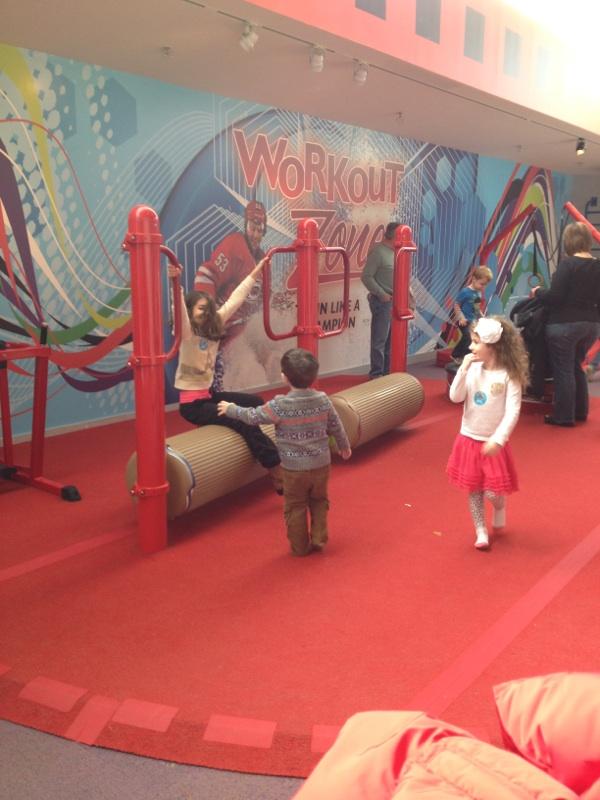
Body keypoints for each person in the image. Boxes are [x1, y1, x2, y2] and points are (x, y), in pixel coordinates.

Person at [217, 348, 351, 556]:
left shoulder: (280, 404)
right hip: (321, 465)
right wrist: (344, 445)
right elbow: (335, 424)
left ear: (284, 377)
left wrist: (232, 409)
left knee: (295, 506)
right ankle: (319, 537)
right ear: (314, 375)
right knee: (319, 501)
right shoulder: (323, 400)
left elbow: (253, 416)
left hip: (293, 469)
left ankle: (300, 547)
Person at [169, 258, 283, 492]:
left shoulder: (215, 324)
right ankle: (275, 468)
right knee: (240, 418)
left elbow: (236, 298)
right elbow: (178, 312)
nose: (207, 313)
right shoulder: (187, 335)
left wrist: (256, 271)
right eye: (200, 309)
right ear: (190, 313)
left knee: (254, 401)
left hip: (210, 396)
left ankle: (269, 445)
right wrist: (175, 282)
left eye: (208, 308)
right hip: (192, 406)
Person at [447, 316, 528, 551]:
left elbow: (512, 411)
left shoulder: (508, 375)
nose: (471, 347)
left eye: (476, 342)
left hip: (492, 442)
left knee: (492, 492)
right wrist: (463, 369)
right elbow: (455, 397)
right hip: (469, 438)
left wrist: (498, 439)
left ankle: (500, 506)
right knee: (474, 489)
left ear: (492, 346)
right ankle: (480, 530)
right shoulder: (472, 369)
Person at [531, 221, 600, 427]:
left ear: (568, 241)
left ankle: (564, 416)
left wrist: (538, 292)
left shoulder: (567, 265)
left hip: (564, 325)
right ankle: (580, 411)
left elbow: (555, 297)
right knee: (577, 366)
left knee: (563, 371)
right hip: (591, 325)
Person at [361, 222, 415, 378]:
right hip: (384, 302)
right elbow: (366, 276)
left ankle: (387, 374)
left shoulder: (398, 251)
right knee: (380, 340)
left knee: (391, 342)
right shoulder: (378, 252)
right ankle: (376, 375)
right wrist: (381, 294)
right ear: (394, 236)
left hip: (397, 301)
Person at [451, 266, 494, 362]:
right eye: (481, 284)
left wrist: (483, 317)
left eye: (485, 285)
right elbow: (456, 305)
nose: (483, 287)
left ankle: (468, 356)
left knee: (474, 338)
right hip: (464, 320)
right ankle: (456, 355)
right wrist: (461, 317)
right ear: (474, 279)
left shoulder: (478, 293)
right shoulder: (465, 292)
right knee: (468, 336)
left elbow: (477, 308)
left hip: (473, 321)